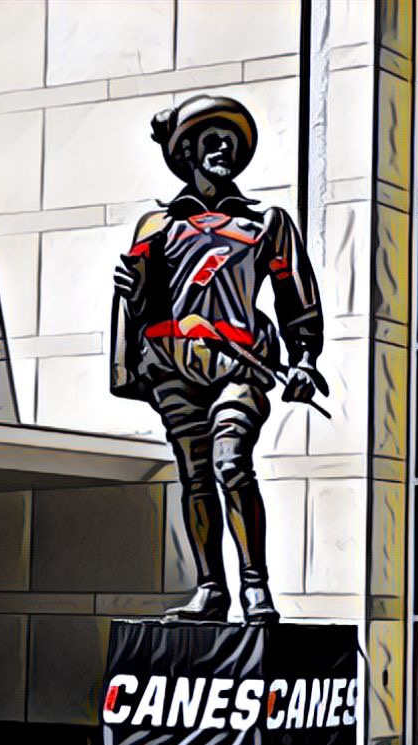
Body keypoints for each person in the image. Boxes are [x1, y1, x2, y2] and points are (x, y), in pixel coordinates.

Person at [110, 95, 326, 624]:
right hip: (172, 364)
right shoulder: (156, 226)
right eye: (211, 139)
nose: (224, 148)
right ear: (185, 152)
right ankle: (212, 590)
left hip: (239, 364)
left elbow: (296, 295)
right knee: (195, 475)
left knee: (232, 462)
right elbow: (142, 305)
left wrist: (303, 358)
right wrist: (131, 294)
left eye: (231, 140)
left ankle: (256, 586)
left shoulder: (265, 222)